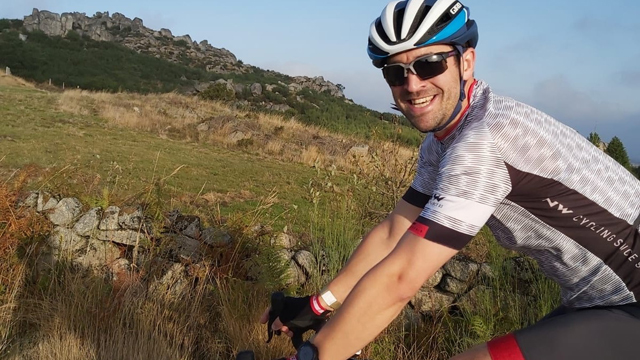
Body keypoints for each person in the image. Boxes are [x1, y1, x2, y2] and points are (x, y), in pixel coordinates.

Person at [260, 0, 640, 359]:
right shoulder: (442, 140)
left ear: (466, 62)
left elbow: (400, 279)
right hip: (598, 300)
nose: (412, 85)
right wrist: (318, 304)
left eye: (429, 64)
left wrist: (314, 354)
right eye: (396, 72)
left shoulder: (483, 141)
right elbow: (395, 231)